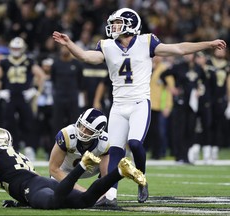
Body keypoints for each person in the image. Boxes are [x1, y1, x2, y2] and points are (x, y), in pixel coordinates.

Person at [52, 7, 226, 205]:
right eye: (113, 23)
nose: (114, 26)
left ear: (131, 24)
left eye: (118, 22)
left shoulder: (146, 41)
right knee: (116, 151)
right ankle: (110, 196)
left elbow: (179, 48)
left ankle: (141, 179)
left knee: (134, 143)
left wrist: (208, 44)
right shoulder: (107, 46)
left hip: (139, 103)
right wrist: (69, 44)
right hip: (118, 105)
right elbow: (86, 57)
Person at [0, 127, 146, 209]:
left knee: (53, 203)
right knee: (86, 201)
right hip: (40, 183)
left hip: (34, 187)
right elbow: (25, 179)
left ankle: (82, 166)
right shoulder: (17, 155)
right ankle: (120, 172)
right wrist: (22, 202)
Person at [0, 37, 45, 161]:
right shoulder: (5, 62)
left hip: (24, 96)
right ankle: (11, 148)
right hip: (10, 96)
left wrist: (35, 90)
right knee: (9, 123)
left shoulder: (29, 61)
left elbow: (41, 76)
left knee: (28, 122)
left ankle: (29, 148)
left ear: (23, 49)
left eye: (18, 48)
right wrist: (0, 91)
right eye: (14, 48)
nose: (16, 50)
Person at [49, 108, 109, 192]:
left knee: (106, 193)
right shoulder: (67, 135)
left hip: (92, 171)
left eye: (88, 129)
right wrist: (82, 191)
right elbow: (53, 169)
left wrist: (100, 193)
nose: (82, 130)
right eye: (82, 125)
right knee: (59, 193)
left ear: (98, 133)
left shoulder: (104, 142)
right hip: (65, 171)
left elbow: (105, 176)